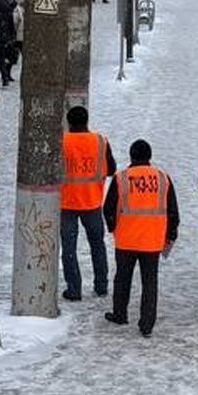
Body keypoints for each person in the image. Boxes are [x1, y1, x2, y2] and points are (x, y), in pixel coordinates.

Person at [102, 139, 179, 338]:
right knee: (150, 282)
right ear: (149, 156)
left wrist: (113, 227)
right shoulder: (163, 178)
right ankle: (147, 324)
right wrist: (170, 234)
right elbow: (173, 212)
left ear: (131, 155)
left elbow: (108, 208)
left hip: (126, 239)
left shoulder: (121, 178)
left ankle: (120, 314)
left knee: (123, 278)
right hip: (152, 240)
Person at [60, 105, 116, 301]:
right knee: (97, 245)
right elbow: (111, 169)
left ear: (68, 122)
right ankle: (101, 285)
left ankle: (74, 289)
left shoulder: (61, 141)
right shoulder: (100, 141)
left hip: (66, 203)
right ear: (86, 121)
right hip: (92, 202)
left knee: (69, 248)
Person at [0, 0, 19, 86]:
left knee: (4, 58)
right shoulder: (7, 8)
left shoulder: (5, 7)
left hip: (3, 37)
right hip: (6, 37)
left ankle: (6, 76)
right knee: (5, 57)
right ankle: (6, 76)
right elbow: (11, 24)